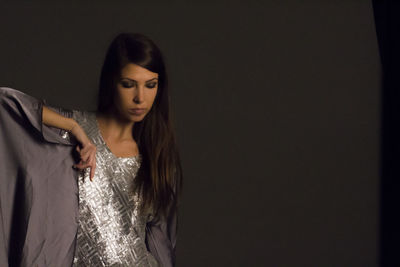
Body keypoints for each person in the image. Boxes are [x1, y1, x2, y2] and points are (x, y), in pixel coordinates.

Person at [0, 32, 182, 267]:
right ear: (111, 82)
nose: (140, 98)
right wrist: (72, 127)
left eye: (150, 85)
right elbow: (4, 103)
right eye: (128, 84)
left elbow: (161, 246)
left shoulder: (156, 157)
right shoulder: (71, 135)